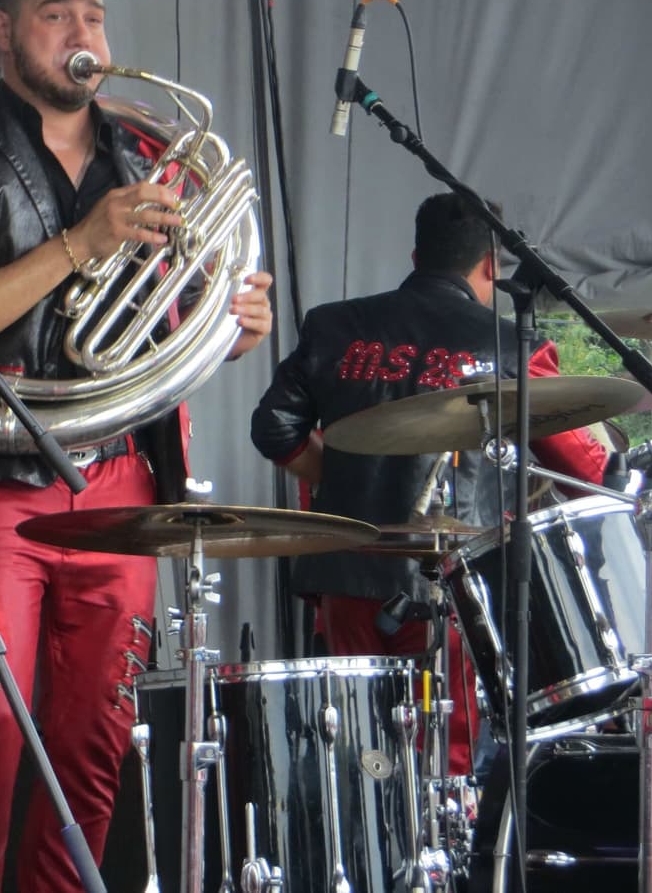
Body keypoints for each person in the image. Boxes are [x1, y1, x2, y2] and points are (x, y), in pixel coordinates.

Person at [0, 0, 274, 893]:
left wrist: (226, 329)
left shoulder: (149, 155)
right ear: (4, 31)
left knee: (96, 743)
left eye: (93, 16)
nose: (83, 35)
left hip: (122, 478)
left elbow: (162, 325)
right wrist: (77, 245)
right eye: (55, 15)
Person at [250, 191, 607, 773]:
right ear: (491, 263)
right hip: (456, 584)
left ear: (416, 256)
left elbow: (275, 429)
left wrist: (340, 481)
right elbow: (585, 471)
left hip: (346, 576)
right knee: (444, 756)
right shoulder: (510, 346)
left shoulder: (334, 325)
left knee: (360, 750)